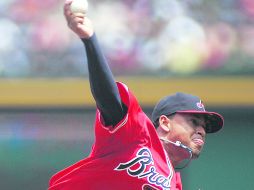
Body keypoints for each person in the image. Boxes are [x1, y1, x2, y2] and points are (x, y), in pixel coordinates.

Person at [48, 1, 224, 189]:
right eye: (193, 122)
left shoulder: (174, 184)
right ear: (165, 122)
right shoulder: (138, 136)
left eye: (204, 127)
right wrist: (90, 40)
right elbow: (108, 99)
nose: (202, 131)